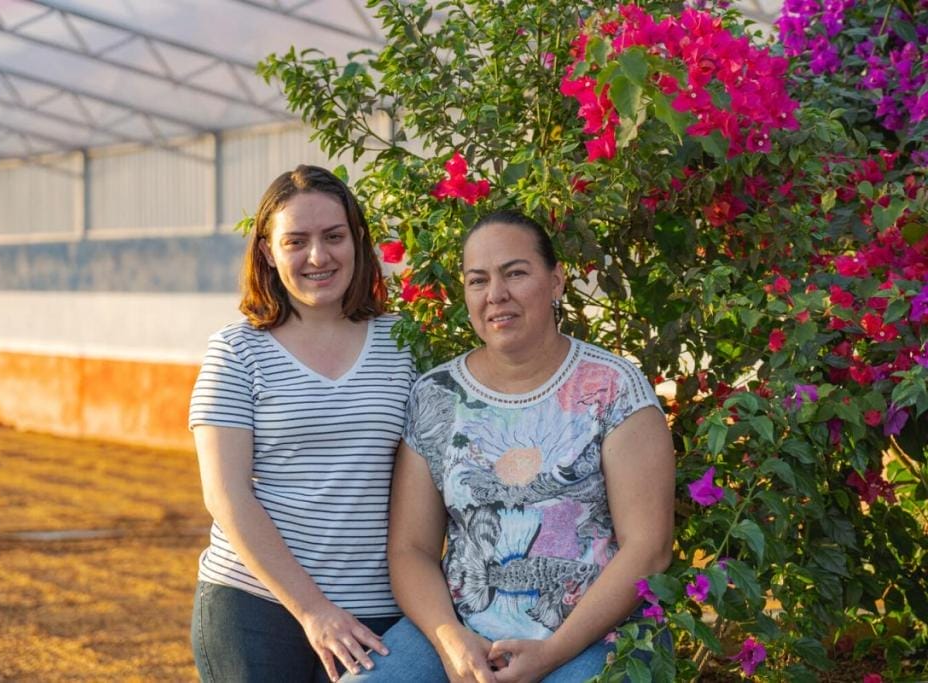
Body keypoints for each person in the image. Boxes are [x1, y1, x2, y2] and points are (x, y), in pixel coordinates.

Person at [344, 209, 675, 683]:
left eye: (515, 273)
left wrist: (553, 652)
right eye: (478, 280)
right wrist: (449, 640)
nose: (495, 294)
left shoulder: (612, 388)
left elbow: (650, 549)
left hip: (595, 634)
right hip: (465, 628)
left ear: (556, 280)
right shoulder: (437, 395)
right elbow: (411, 548)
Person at [189, 165, 416, 682]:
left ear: (357, 240)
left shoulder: (404, 344)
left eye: (334, 236)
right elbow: (226, 495)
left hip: (379, 608)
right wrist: (313, 610)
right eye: (297, 241)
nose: (318, 256)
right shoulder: (237, 351)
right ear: (268, 251)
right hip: (256, 604)